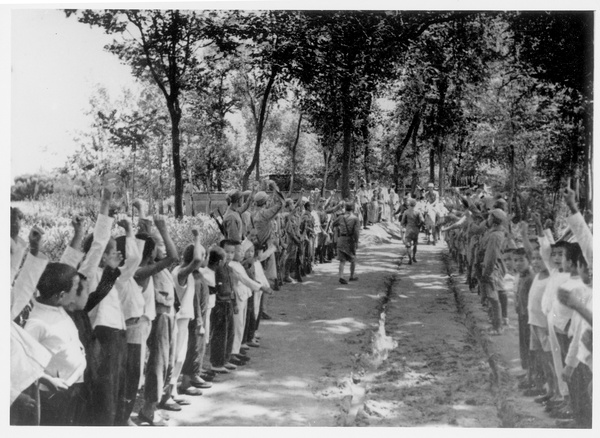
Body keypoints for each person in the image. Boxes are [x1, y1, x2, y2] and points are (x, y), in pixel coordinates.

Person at [210, 241, 237, 373]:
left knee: (229, 333)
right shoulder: (217, 267)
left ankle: (225, 359)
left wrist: (234, 303)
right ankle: (217, 362)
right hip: (220, 303)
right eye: (227, 252)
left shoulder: (229, 268)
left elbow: (232, 287)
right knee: (220, 334)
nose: (230, 255)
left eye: (233, 252)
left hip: (229, 303)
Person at [333, 202, 360, 284]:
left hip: (341, 238)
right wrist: (356, 241)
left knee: (342, 260)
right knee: (353, 258)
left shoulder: (341, 217)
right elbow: (356, 232)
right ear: (352, 209)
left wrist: (340, 228)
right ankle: (351, 276)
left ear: (345, 208)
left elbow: (334, 224)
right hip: (350, 240)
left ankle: (341, 276)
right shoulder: (355, 218)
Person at [400, 199, 423, 265]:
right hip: (415, 229)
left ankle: (410, 259)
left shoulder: (406, 212)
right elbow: (422, 220)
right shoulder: (418, 212)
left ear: (409, 204)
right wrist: (419, 226)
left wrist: (404, 226)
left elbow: (402, 222)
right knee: (415, 244)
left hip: (408, 229)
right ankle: (414, 257)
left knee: (408, 245)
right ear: (415, 205)